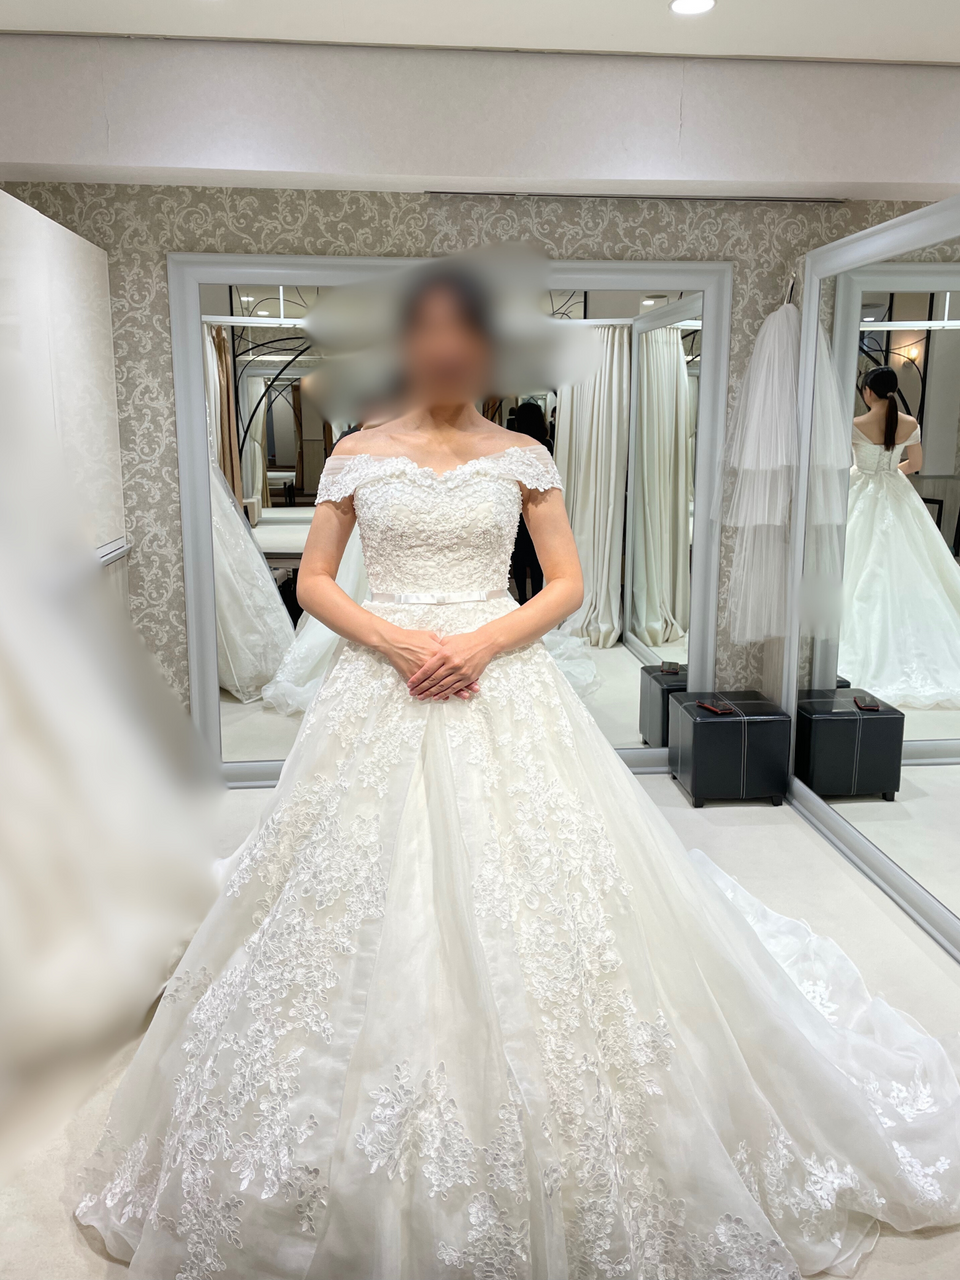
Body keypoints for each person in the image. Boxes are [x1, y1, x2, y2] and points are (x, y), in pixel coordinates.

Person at [77, 263, 960, 1280]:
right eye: (429, 332)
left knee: (554, 889)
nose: (446, 350)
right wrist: (396, 642)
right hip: (382, 679)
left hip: (495, 675)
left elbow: (568, 583)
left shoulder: (523, 455)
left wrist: (482, 644)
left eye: (466, 334)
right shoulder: (357, 453)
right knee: (338, 890)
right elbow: (314, 581)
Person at [838, 364, 960, 707]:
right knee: (914, 566)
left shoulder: (856, 424)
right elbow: (916, 464)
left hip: (860, 489)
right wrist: (891, 470)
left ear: (868, 391)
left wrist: (870, 471)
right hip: (896, 491)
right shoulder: (909, 424)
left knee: (854, 562)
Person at [508, 401, 552, 602]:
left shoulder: (513, 446)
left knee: (518, 554)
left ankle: (522, 598)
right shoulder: (546, 445)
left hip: (517, 503)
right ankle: (536, 596)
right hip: (540, 503)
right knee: (536, 556)